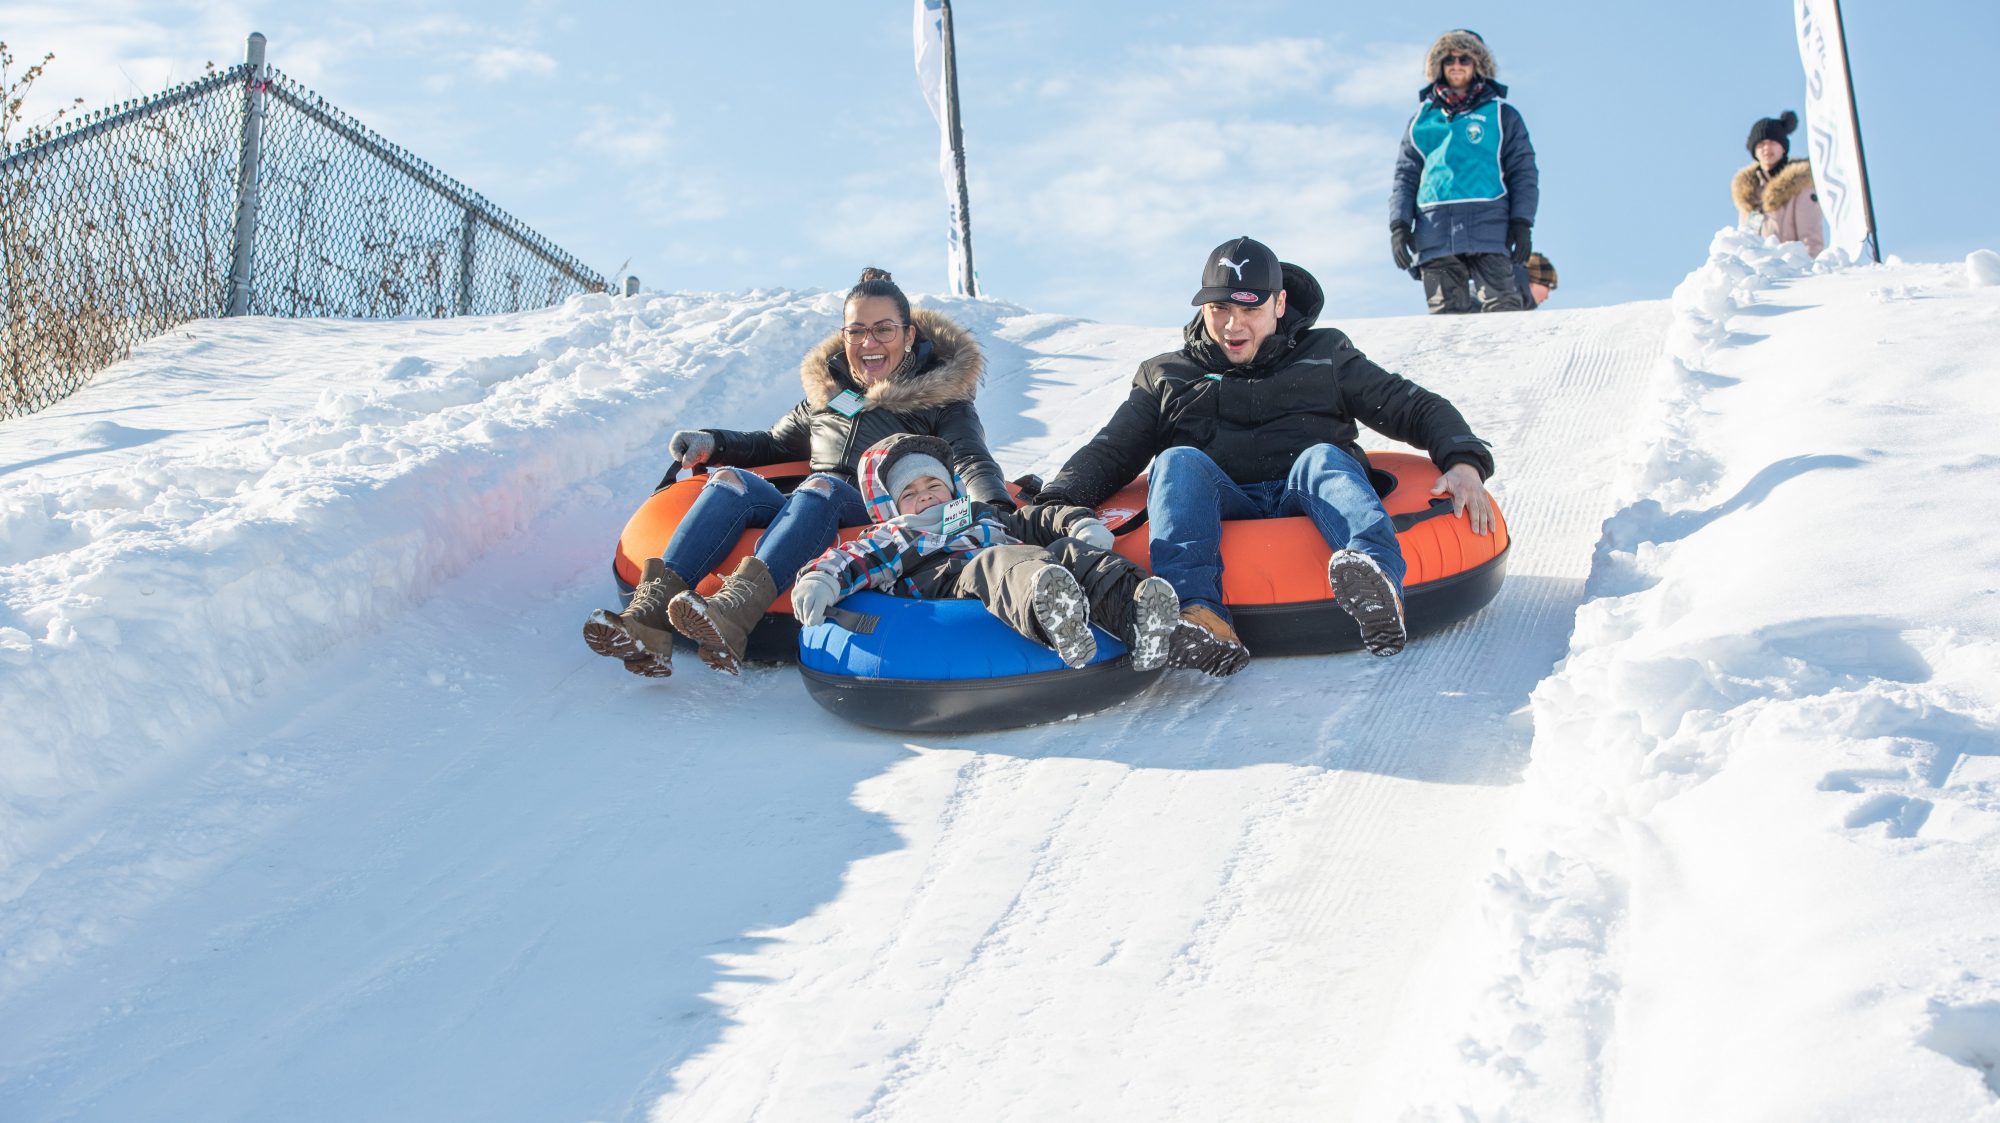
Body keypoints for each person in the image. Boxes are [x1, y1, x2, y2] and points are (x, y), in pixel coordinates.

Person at [1031, 236, 1498, 674]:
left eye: (1248, 309)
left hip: (1307, 490)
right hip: (1224, 497)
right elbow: (1111, 451)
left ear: (1279, 304)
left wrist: (1462, 461)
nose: (1232, 326)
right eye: (1219, 309)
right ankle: (1200, 616)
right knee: (1176, 462)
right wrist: (1048, 505)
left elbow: (1413, 406)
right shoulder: (1168, 375)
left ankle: (1375, 582)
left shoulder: (1325, 354)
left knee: (1323, 458)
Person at [583, 267, 1010, 677]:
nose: (869, 342)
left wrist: (992, 507)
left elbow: (970, 459)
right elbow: (774, 444)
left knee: (818, 486)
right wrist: (714, 443)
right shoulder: (833, 398)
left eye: (883, 329)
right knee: (731, 481)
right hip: (812, 505)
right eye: (856, 331)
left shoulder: (941, 401)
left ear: (908, 334)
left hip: (881, 515)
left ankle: (734, 613)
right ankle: (647, 618)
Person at [789, 433, 1183, 671]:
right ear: (890, 507)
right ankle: (1054, 617)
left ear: (952, 487)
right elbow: (852, 558)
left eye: (933, 484)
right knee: (996, 561)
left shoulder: (977, 515)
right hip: (954, 582)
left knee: (1068, 550)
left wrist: (1078, 525)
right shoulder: (894, 535)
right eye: (908, 493)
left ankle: (1137, 615)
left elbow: (1036, 521)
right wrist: (821, 580)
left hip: (1029, 566)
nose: (924, 496)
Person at [1389, 28, 1539, 315]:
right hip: (1434, 230)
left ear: (1477, 65)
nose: (1456, 65)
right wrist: (1399, 225)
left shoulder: (1501, 116)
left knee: (1503, 312)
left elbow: (1523, 172)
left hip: (1490, 226)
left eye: (1464, 59)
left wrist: (1522, 222)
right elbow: (1405, 176)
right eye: (1449, 59)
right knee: (1447, 322)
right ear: (1439, 67)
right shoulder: (1421, 121)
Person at [1732, 110, 1826, 257]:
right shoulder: (1749, 197)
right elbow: (1745, 242)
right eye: (1761, 143)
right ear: (1754, 150)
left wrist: (1811, 272)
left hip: (1791, 273)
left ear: (1783, 148)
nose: (1767, 148)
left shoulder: (1800, 186)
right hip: (1761, 276)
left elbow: (1811, 239)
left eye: (1773, 142)